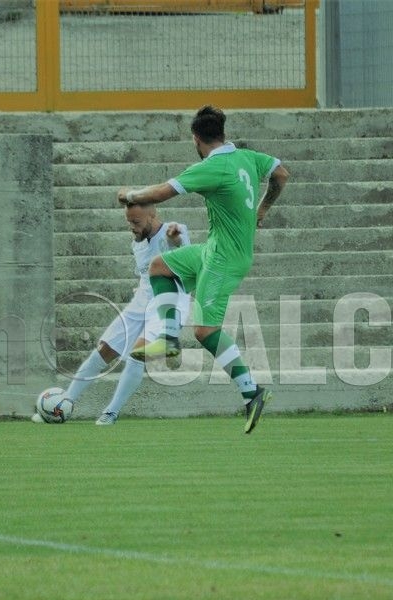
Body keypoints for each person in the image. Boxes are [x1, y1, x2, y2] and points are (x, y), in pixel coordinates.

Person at [116, 105, 289, 434]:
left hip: (226, 258)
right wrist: (262, 208)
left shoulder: (213, 167)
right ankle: (168, 339)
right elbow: (281, 174)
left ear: (196, 139)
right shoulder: (248, 158)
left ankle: (253, 393)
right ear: (221, 133)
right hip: (214, 249)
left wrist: (130, 194)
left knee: (204, 331)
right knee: (160, 265)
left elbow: (162, 193)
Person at [33, 203, 190, 425]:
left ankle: (111, 412)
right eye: (128, 222)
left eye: (136, 222)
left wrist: (176, 239)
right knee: (103, 350)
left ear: (152, 214)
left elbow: (181, 248)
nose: (131, 227)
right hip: (142, 301)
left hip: (168, 302)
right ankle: (64, 403)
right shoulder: (137, 244)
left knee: (137, 354)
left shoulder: (173, 231)